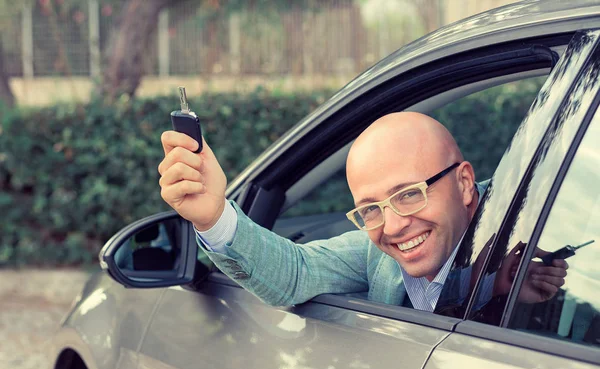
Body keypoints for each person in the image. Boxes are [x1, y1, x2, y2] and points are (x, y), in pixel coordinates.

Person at [158, 112, 567, 311]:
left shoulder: (540, 215)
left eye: (408, 194)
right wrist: (212, 216)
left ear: (463, 183)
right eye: (370, 209)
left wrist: (545, 298)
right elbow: (297, 272)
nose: (391, 226)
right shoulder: (376, 256)